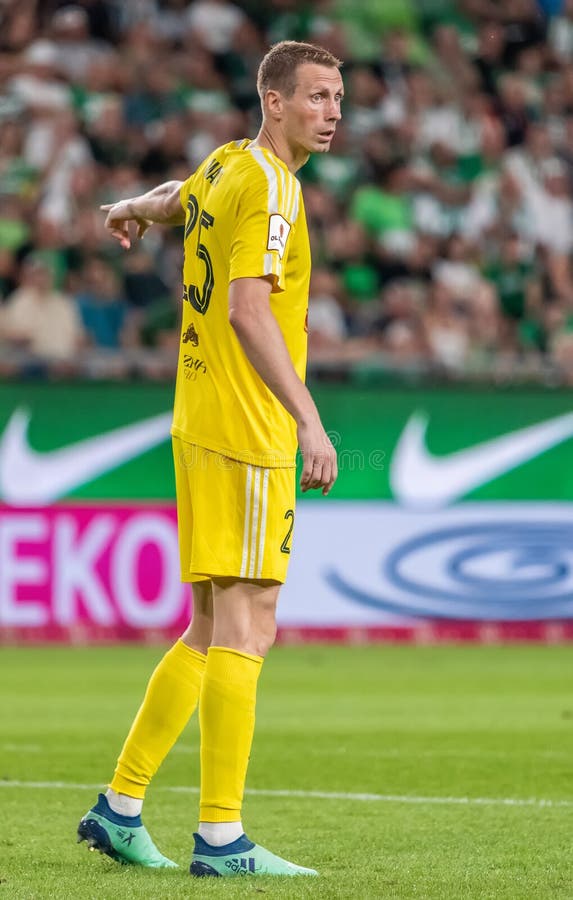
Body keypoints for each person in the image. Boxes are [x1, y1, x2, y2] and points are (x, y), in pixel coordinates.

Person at [77, 40, 342, 878]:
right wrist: (308, 419)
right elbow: (247, 310)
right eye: (315, 97)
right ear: (273, 101)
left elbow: (173, 202)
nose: (331, 111)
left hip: (198, 418)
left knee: (208, 623)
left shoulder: (228, 164)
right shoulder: (272, 187)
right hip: (246, 425)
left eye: (337, 97)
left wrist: (127, 205)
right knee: (249, 622)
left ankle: (119, 808)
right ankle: (221, 838)